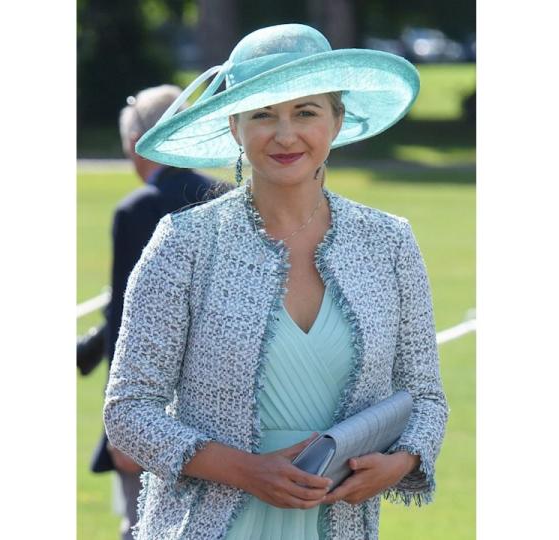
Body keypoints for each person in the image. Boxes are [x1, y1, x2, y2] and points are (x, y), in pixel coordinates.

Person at [104, 24, 448, 540]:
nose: (285, 134)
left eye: (305, 112)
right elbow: (128, 411)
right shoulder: (183, 243)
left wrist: (400, 462)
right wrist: (247, 471)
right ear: (234, 126)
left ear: (337, 120)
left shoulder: (390, 243)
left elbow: (426, 399)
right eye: (263, 114)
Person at [77, 84, 219, 540]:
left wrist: (121, 427)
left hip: (156, 409)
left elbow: (128, 321)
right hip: (222, 408)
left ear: (139, 141)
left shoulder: (140, 209)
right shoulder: (225, 196)